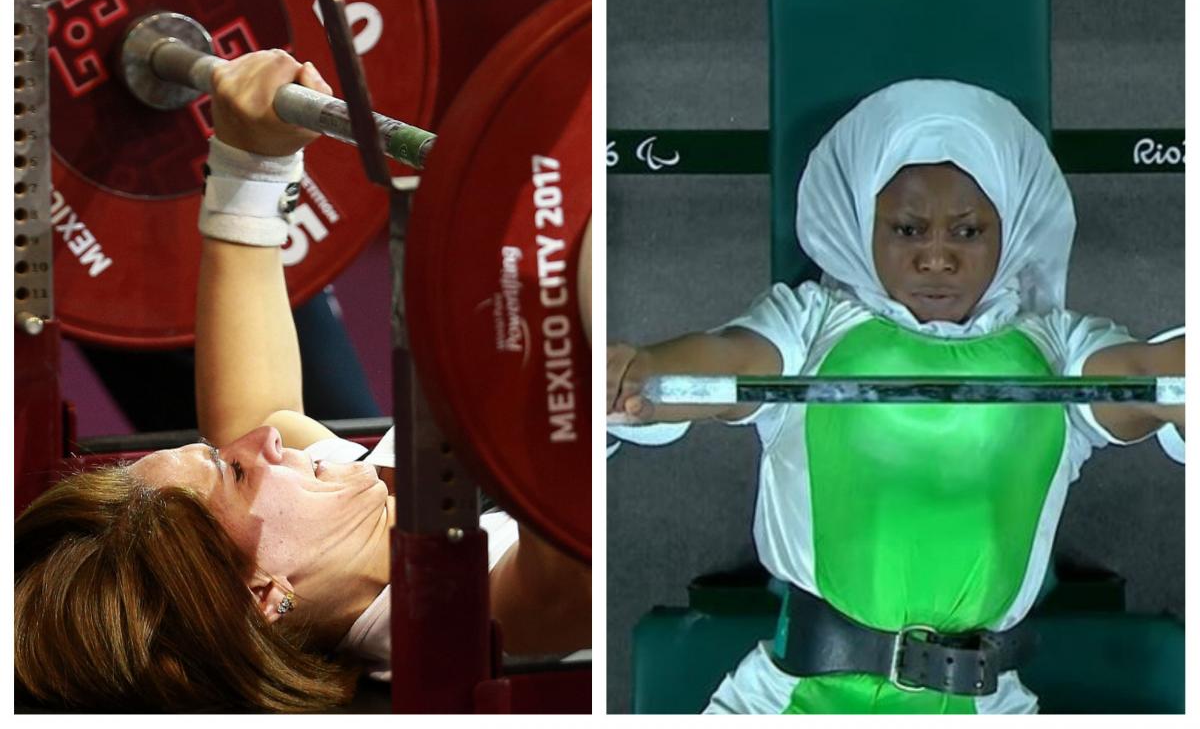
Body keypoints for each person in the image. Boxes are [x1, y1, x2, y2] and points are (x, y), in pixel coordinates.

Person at [15, 50, 590, 712]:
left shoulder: (321, 527)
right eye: (231, 471)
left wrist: (249, 157)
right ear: (266, 598)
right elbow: (566, 576)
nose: (260, 440)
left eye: (214, 452)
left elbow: (253, 409)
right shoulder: (461, 617)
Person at [607, 79, 1184, 714]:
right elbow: (721, 363)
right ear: (862, 224)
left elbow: (1149, 375)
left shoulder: (1060, 351)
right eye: (908, 230)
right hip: (793, 702)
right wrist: (646, 373)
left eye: (967, 232)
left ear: (1009, 229)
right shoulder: (807, 328)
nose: (937, 258)